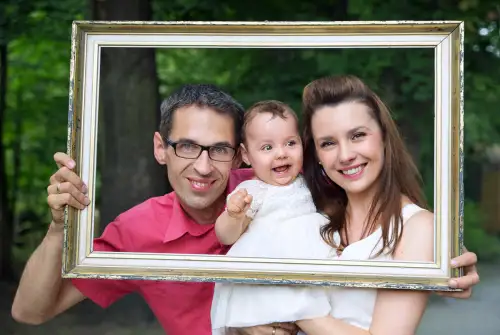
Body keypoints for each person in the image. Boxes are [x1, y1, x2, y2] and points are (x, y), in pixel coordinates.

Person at [11, 82, 479, 335]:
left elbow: (368, 203)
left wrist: (439, 270)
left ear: (240, 154)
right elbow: (31, 313)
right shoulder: (136, 230)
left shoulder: (283, 189)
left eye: (218, 149)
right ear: (160, 148)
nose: (202, 166)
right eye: (186, 146)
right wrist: (58, 231)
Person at [293, 74, 467, 335]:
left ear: (384, 138)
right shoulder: (315, 217)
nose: (346, 155)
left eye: (358, 135)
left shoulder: (417, 227)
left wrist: (291, 306)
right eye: (328, 143)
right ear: (316, 155)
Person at [211, 101, 332, 334]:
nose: (281, 153)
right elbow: (225, 236)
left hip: (305, 271)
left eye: (290, 143)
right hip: (266, 278)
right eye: (267, 148)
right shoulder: (252, 192)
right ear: (246, 155)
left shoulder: (309, 186)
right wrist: (234, 215)